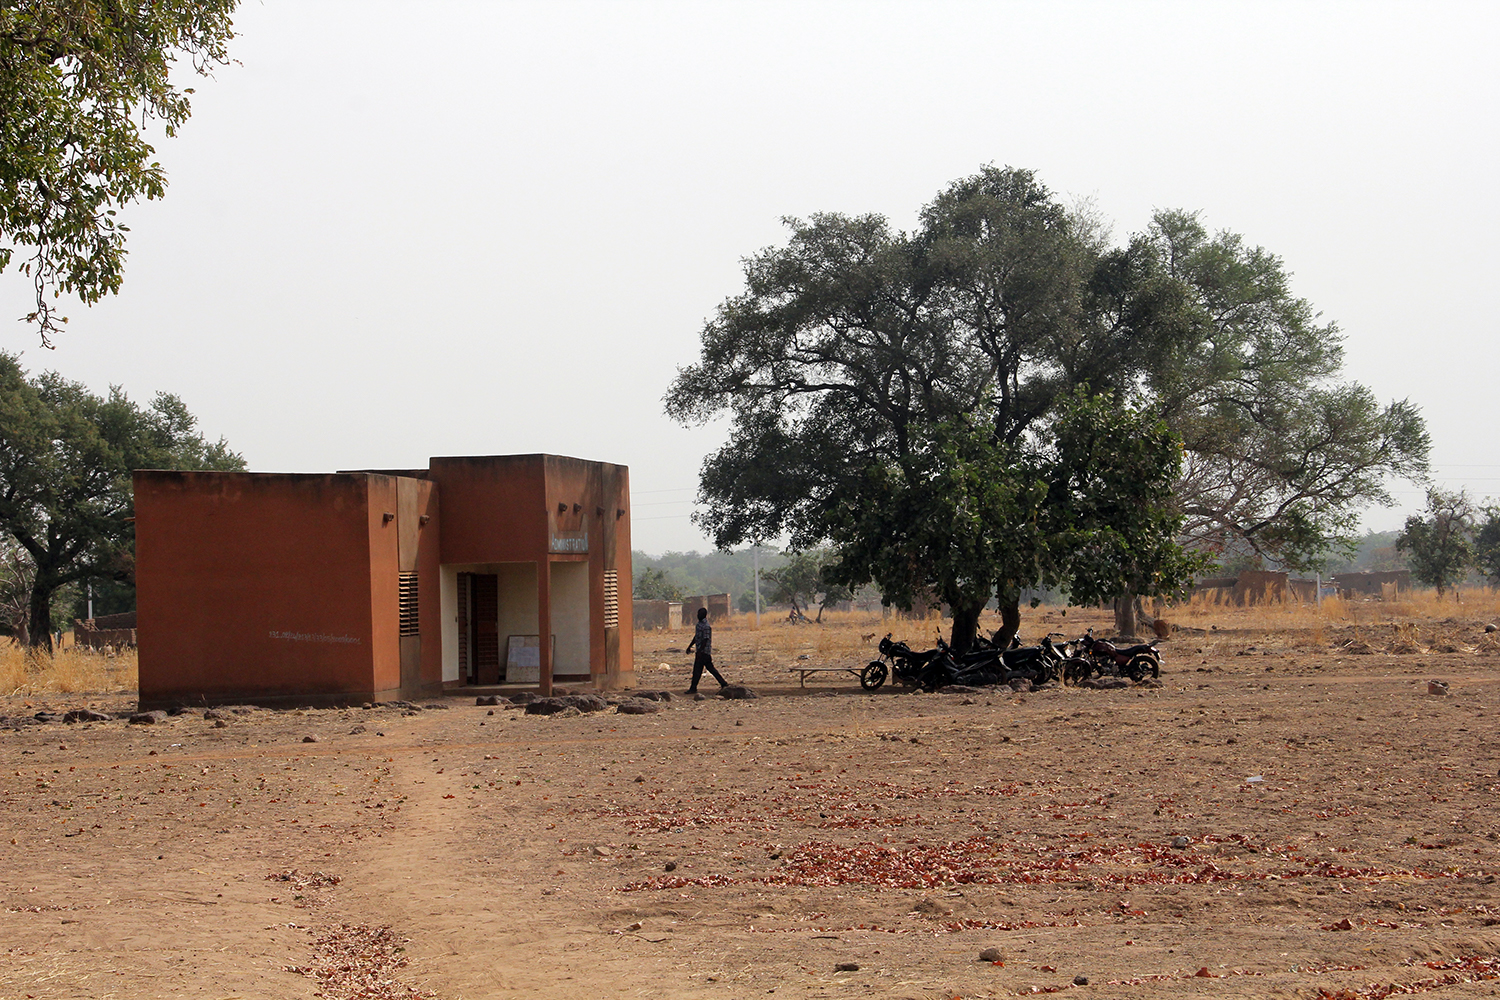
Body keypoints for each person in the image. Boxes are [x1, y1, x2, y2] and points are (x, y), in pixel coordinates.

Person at [684, 606, 728, 694]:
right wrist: (690, 646)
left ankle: (693, 688)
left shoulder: (706, 626)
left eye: (699, 614)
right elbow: (696, 637)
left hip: (704, 652)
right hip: (701, 651)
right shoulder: (699, 624)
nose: (698, 615)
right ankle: (723, 683)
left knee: (699, 669)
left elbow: (705, 639)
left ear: (704, 615)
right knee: (706, 669)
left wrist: (700, 651)